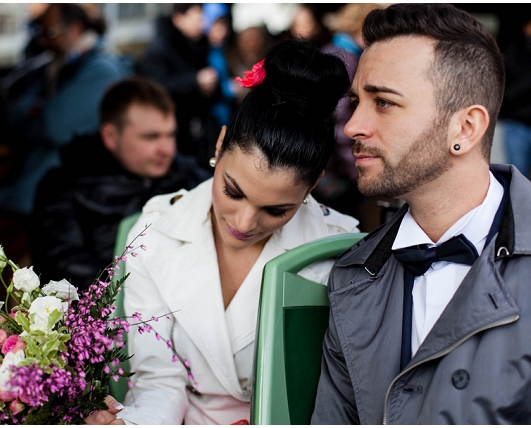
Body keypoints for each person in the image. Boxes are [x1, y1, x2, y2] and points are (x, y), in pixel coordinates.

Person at [85, 39, 359, 425]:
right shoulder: (156, 231)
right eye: (233, 191)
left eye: (277, 210)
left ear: (314, 184)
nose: (244, 223)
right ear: (219, 143)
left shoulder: (340, 251)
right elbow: (159, 380)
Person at [312, 4, 531, 424]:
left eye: (383, 102)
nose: (352, 126)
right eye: (355, 101)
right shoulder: (352, 278)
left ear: (464, 129)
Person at [30, 76, 209, 290]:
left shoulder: (191, 178)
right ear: (110, 136)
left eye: (170, 135)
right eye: (151, 137)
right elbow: (64, 270)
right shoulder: (62, 189)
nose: (167, 149)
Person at [0, 3, 128, 216]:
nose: (43, 41)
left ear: (74, 29)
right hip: (36, 185)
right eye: (40, 33)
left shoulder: (101, 70)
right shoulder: (57, 65)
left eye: (50, 33)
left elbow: (53, 126)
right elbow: (14, 112)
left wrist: (40, 111)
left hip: (57, 191)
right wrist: (36, 110)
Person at [312, 3, 380, 220]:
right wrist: (356, 171)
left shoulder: (332, 50)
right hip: (333, 168)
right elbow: (339, 121)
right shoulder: (347, 60)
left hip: (321, 160)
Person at [139, 4, 221, 170]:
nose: (203, 23)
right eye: (197, 17)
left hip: (200, 130)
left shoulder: (200, 45)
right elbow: (155, 89)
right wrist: (195, 82)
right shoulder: (160, 48)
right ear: (179, 19)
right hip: (177, 131)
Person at [500, 12, 531, 193]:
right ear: (526, 28)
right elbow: (505, 95)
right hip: (518, 128)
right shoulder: (512, 54)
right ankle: (516, 222)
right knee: (517, 184)